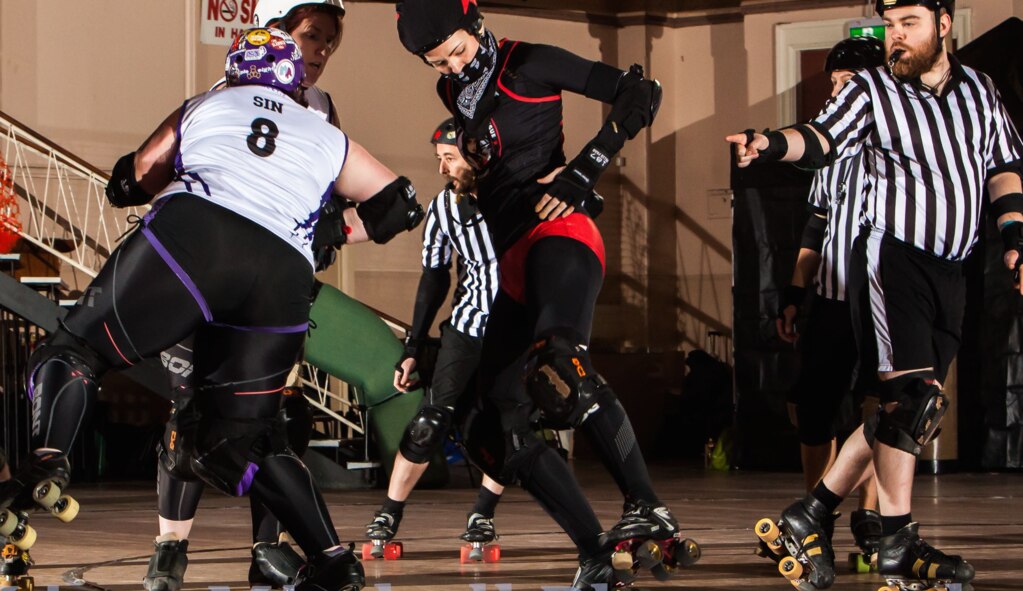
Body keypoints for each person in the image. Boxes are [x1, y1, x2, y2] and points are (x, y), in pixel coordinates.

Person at [2, 27, 423, 591]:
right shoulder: (323, 132)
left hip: (196, 239)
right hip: (282, 273)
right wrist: (328, 234)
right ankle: (331, 561)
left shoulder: (210, 101)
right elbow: (401, 204)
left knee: (76, 349)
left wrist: (127, 183)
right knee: (236, 440)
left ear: (237, 70)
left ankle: (49, 459)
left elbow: (137, 174)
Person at [395, 2, 694, 588]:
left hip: (559, 231)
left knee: (557, 366)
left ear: (474, 20)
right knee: (488, 429)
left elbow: (641, 94)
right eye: (439, 62)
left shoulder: (527, 61)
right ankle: (595, 550)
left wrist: (585, 170)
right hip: (508, 257)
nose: (454, 66)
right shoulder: (452, 92)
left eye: (457, 50)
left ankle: (645, 503)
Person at [728, 0, 1022, 588]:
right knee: (906, 398)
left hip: (953, 268)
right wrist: (769, 142)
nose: (896, 37)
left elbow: (1005, 165)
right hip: (892, 258)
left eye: (908, 24)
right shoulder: (870, 89)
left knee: (911, 408)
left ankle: (812, 513)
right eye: (889, 26)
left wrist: (1014, 235)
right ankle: (896, 540)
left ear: (944, 23)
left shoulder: (981, 91)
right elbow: (817, 139)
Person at [146, 2, 348, 590]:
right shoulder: (226, 94)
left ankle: (267, 549)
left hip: (273, 291)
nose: (320, 52)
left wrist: (330, 228)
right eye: (312, 37)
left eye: (329, 42)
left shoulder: (323, 110)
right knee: (191, 417)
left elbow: (333, 190)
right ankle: (169, 548)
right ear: (276, 32)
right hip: (206, 280)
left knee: (275, 423)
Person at [768, 36, 883, 568]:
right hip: (833, 298)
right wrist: (794, 293)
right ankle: (817, 520)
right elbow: (815, 227)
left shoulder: (894, 142)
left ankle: (873, 520)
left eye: (847, 86)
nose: (837, 96)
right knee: (813, 408)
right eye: (833, 85)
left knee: (879, 408)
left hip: (884, 298)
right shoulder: (828, 148)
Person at [365, 119, 505, 553]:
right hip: (467, 325)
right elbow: (434, 277)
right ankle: (389, 512)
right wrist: (413, 347)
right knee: (429, 422)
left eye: (449, 158)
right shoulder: (444, 207)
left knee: (510, 425)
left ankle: (482, 514)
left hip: (517, 329)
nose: (442, 169)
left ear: (477, 155)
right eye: (439, 159)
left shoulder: (514, 198)